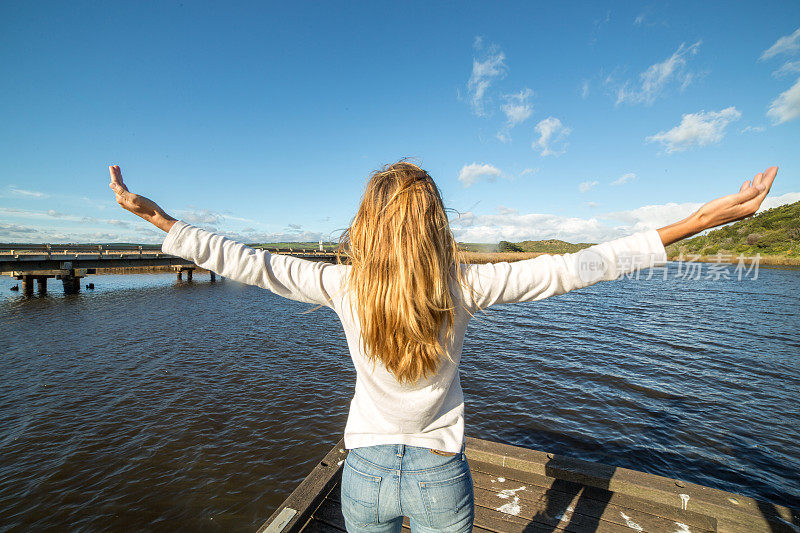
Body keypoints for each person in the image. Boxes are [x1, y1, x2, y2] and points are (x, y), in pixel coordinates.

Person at [108, 161, 777, 532]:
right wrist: (702, 218)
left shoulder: (341, 284)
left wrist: (161, 219)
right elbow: (585, 264)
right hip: (439, 473)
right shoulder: (465, 285)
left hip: (364, 474)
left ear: (367, 225)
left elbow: (245, 260)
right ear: (437, 226)